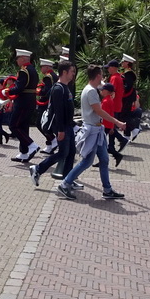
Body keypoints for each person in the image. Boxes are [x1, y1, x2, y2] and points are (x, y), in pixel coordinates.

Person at [55, 65, 126, 200]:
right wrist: (117, 122)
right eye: (101, 75)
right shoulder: (91, 91)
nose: (103, 77)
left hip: (96, 130)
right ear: (98, 76)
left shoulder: (91, 89)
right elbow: (98, 111)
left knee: (104, 159)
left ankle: (107, 189)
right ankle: (65, 184)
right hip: (93, 130)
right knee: (87, 161)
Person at [30, 61, 77, 188]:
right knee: (63, 153)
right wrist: (61, 130)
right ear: (64, 72)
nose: (74, 74)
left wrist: (73, 124)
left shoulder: (66, 87)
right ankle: (38, 169)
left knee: (71, 153)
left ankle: (67, 180)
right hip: (62, 127)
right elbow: (58, 111)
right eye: (72, 71)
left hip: (68, 126)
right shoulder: (58, 88)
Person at [8, 49, 40, 162]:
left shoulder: (23, 71)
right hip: (30, 100)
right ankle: (24, 152)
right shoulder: (33, 70)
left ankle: (32, 145)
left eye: (17, 59)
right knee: (23, 126)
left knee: (13, 125)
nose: (17, 61)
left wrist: (7, 91)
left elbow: (19, 88)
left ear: (22, 59)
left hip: (23, 101)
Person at [116, 54, 141, 148]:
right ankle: (126, 136)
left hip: (128, 97)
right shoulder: (126, 73)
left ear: (128, 63)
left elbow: (128, 86)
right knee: (125, 114)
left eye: (124, 62)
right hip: (127, 96)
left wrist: (121, 89)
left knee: (123, 114)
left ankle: (134, 127)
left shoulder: (129, 74)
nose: (122, 63)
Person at [35, 59, 56, 153]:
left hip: (45, 104)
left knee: (40, 124)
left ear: (47, 67)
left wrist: (39, 91)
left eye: (42, 67)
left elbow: (47, 91)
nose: (41, 68)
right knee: (47, 124)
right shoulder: (54, 76)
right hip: (51, 103)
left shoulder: (48, 77)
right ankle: (50, 145)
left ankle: (52, 140)